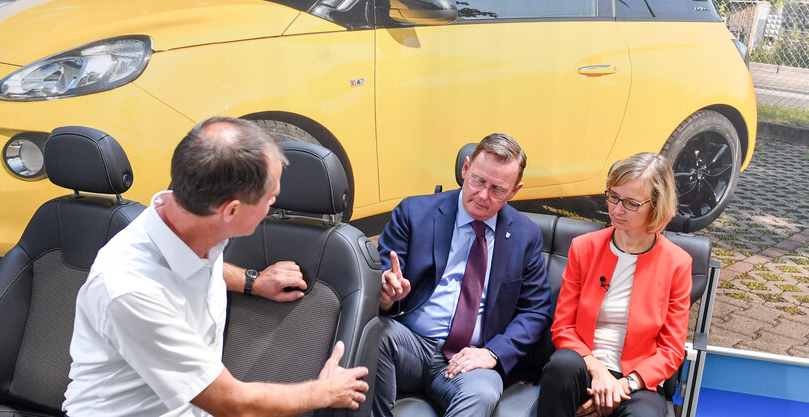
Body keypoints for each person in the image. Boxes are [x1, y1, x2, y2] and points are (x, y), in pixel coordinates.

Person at [63, 117, 369, 416]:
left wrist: (253, 281)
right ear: (232, 210)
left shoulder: (184, 221)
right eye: (270, 196)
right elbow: (232, 403)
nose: (275, 201)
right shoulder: (129, 290)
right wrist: (326, 391)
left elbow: (192, 268)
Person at [373, 133, 552, 417]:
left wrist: (493, 353)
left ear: (514, 191)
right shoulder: (414, 213)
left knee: (481, 394)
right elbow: (383, 279)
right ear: (465, 168)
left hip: (472, 357)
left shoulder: (524, 235)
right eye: (479, 181)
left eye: (497, 189)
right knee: (375, 335)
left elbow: (536, 310)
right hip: (411, 342)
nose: (483, 196)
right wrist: (385, 295)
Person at [537, 152, 693, 417]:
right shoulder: (584, 248)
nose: (617, 209)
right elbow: (563, 327)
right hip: (582, 368)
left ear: (656, 205)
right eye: (613, 196)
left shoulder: (677, 263)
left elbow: (671, 350)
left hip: (636, 381)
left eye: (631, 203)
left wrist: (621, 386)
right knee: (562, 365)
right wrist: (598, 372)